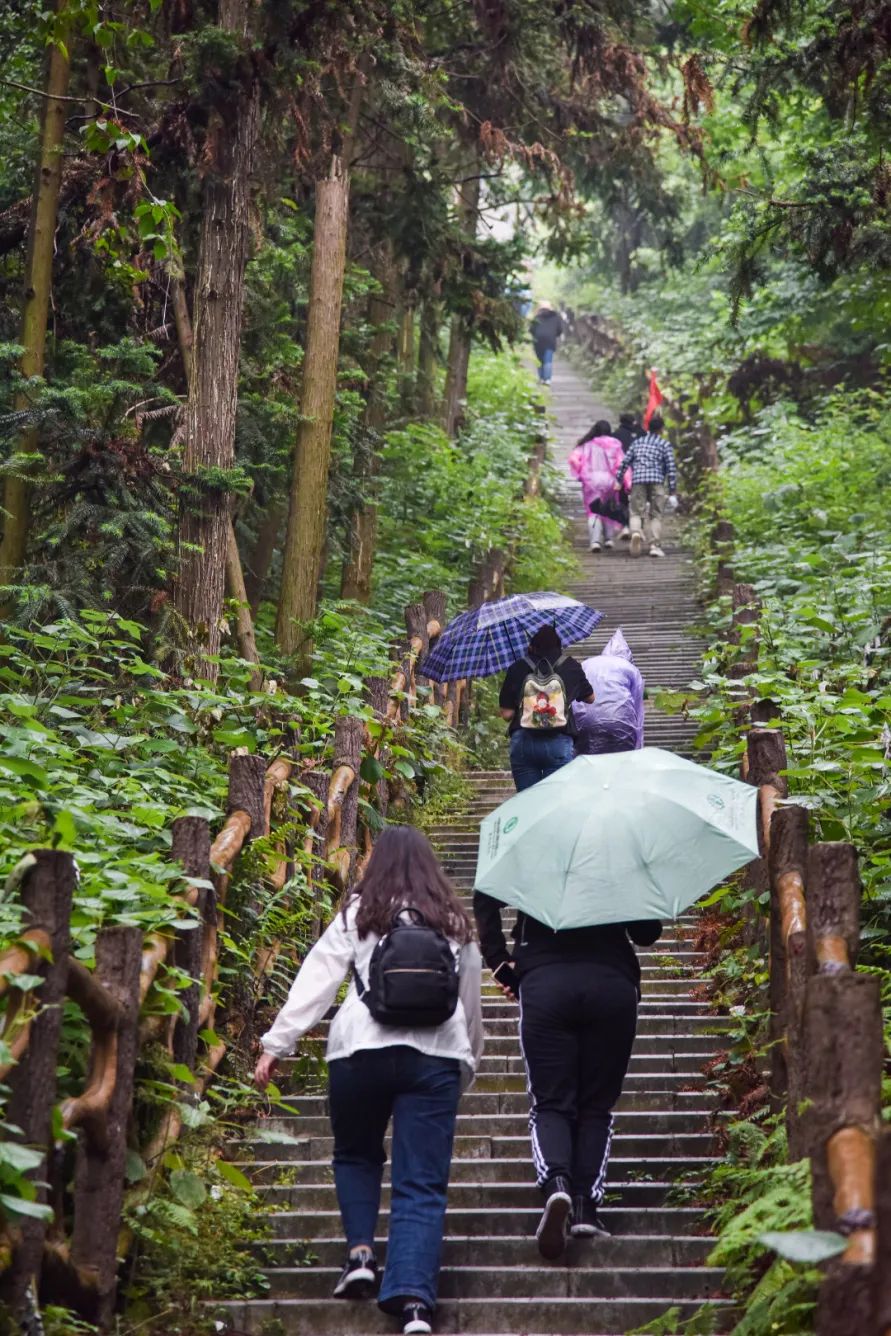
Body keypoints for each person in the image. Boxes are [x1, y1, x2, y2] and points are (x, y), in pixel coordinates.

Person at [254, 826, 483, 1336]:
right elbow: (469, 997)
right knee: (420, 1179)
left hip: (358, 1050)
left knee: (357, 1155)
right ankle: (415, 1301)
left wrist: (276, 1044)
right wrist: (467, 1058)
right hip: (435, 1055)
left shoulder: (358, 912)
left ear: (376, 861)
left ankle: (360, 1254)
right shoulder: (452, 918)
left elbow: (318, 979)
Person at [472, 890, 662, 1259]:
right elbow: (646, 932)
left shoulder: (530, 855)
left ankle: (556, 1183)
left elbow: (485, 896)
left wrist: (498, 962)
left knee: (550, 1102)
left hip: (545, 982)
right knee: (596, 1106)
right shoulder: (617, 859)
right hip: (612, 983)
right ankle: (585, 1207)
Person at [498, 624, 593, 791]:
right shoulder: (571, 666)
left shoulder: (517, 667)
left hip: (523, 741)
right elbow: (590, 698)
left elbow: (506, 714)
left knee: (527, 799)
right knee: (554, 801)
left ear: (531, 646)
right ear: (559, 645)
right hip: (559, 740)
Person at [572, 629, 645, 754]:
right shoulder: (630, 668)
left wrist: (578, 725)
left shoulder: (586, 664)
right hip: (621, 722)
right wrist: (639, 746)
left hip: (586, 722)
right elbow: (638, 708)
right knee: (621, 760)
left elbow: (576, 698)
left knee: (589, 760)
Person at [615, 413, 678, 559]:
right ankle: (654, 546)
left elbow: (624, 463)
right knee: (656, 514)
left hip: (638, 480)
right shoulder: (664, 444)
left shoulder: (637, 443)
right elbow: (671, 468)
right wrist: (672, 489)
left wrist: (619, 480)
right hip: (657, 481)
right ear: (661, 429)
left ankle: (636, 532)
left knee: (636, 512)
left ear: (648, 428)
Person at [568, 419, 630, 552]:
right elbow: (622, 464)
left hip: (591, 481)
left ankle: (595, 542)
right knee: (609, 509)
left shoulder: (586, 445)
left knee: (593, 512)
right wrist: (627, 482)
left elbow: (573, 459)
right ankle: (609, 539)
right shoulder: (615, 444)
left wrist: (580, 471)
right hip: (610, 480)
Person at [529, 302, 564, 385]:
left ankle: (541, 378)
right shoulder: (556, 317)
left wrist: (535, 335)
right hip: (550, 340)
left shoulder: (537, 317)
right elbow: (560, 330)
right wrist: (554, 334)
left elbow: (531, 329)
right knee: (548, 360)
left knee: (539, 360)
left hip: (538, 340)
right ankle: (547, 379)